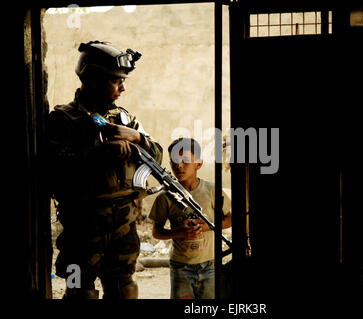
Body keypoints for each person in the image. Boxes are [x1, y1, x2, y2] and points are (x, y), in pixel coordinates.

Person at [47, 41, 163, 299]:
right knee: (80, 290)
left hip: (124, 224)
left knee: (124, 289)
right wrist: (96, 155)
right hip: (83, 227)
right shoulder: (63, 120)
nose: (123, 87)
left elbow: (157, 155)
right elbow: (52, 172)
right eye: (116, 80)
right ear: (93, 79)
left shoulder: (124, 119)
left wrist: (138, 139)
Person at [149, 138, 231, 299]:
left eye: (185, 160)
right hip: (180, 267)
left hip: (210, 265)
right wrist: (180, 232)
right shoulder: (165, 196)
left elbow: (231, 218)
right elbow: (156, 232)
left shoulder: (212, 190)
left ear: (199, 164)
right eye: (174, 161)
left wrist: (207, 226)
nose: (178, 165)